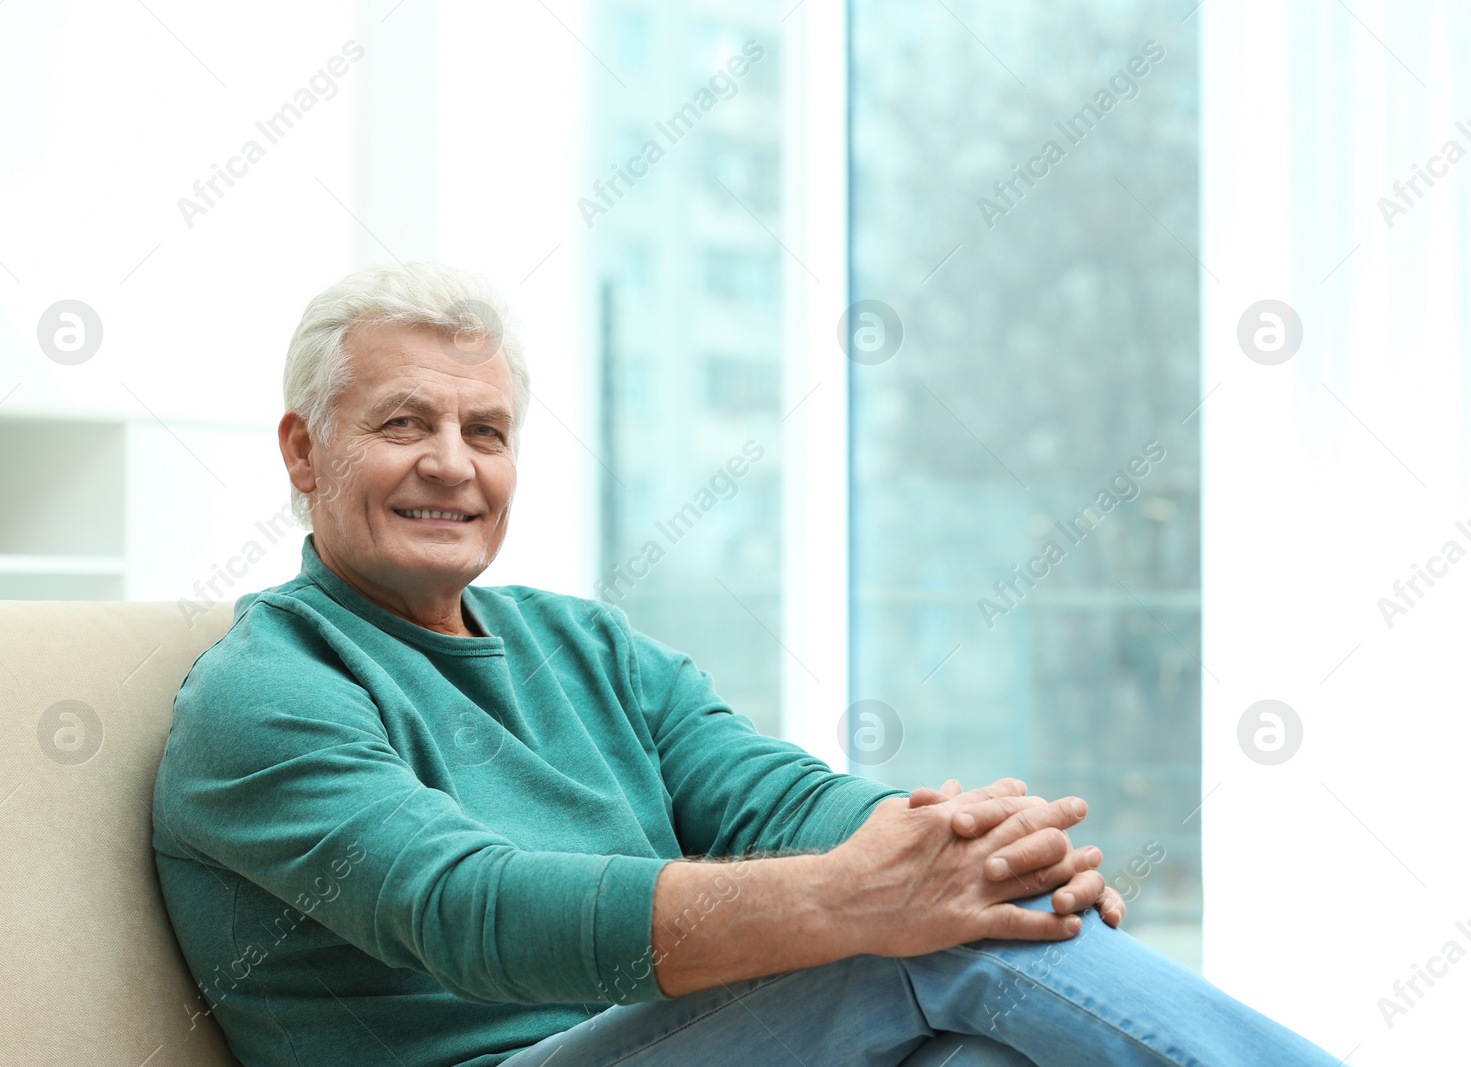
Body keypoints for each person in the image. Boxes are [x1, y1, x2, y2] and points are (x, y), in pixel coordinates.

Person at [151, 263, 1341, 1067]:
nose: (452, 466)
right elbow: (477, 909)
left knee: (978, 1014)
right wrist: (856, 898)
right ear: (305, 451)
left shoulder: (586, 645)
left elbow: (774, 797)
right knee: (936, 943)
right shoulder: (267, 693)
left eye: (487, 431)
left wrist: (951, 839)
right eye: (404, 423)